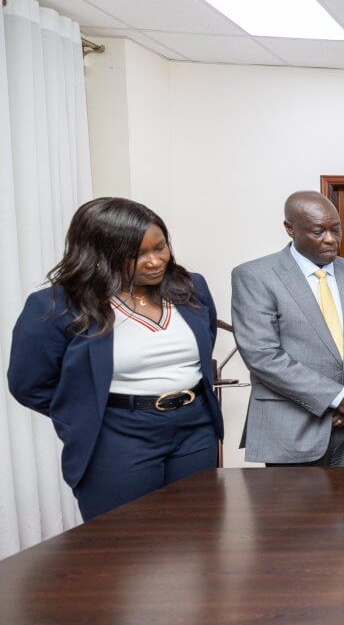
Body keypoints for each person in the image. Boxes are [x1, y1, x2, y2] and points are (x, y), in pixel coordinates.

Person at [8, 198, 223, 520]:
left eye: (160, 247)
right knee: (124, 545)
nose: (154, 261)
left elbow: (205, 342)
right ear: (99, 255)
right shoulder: (57, 306)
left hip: (195, 428)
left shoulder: (190, 287)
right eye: (137, 255)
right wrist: (87, 410)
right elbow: (29, 384)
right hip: (117, 434)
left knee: (197, 532)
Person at [231, 191, 344, 467]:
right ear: (290, 229)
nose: (330, 239)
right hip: (292, 432)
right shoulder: (255, 276)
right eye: (318, 231)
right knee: (296, 512)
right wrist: (338, 398)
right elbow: (262, 355)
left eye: (336, 229)